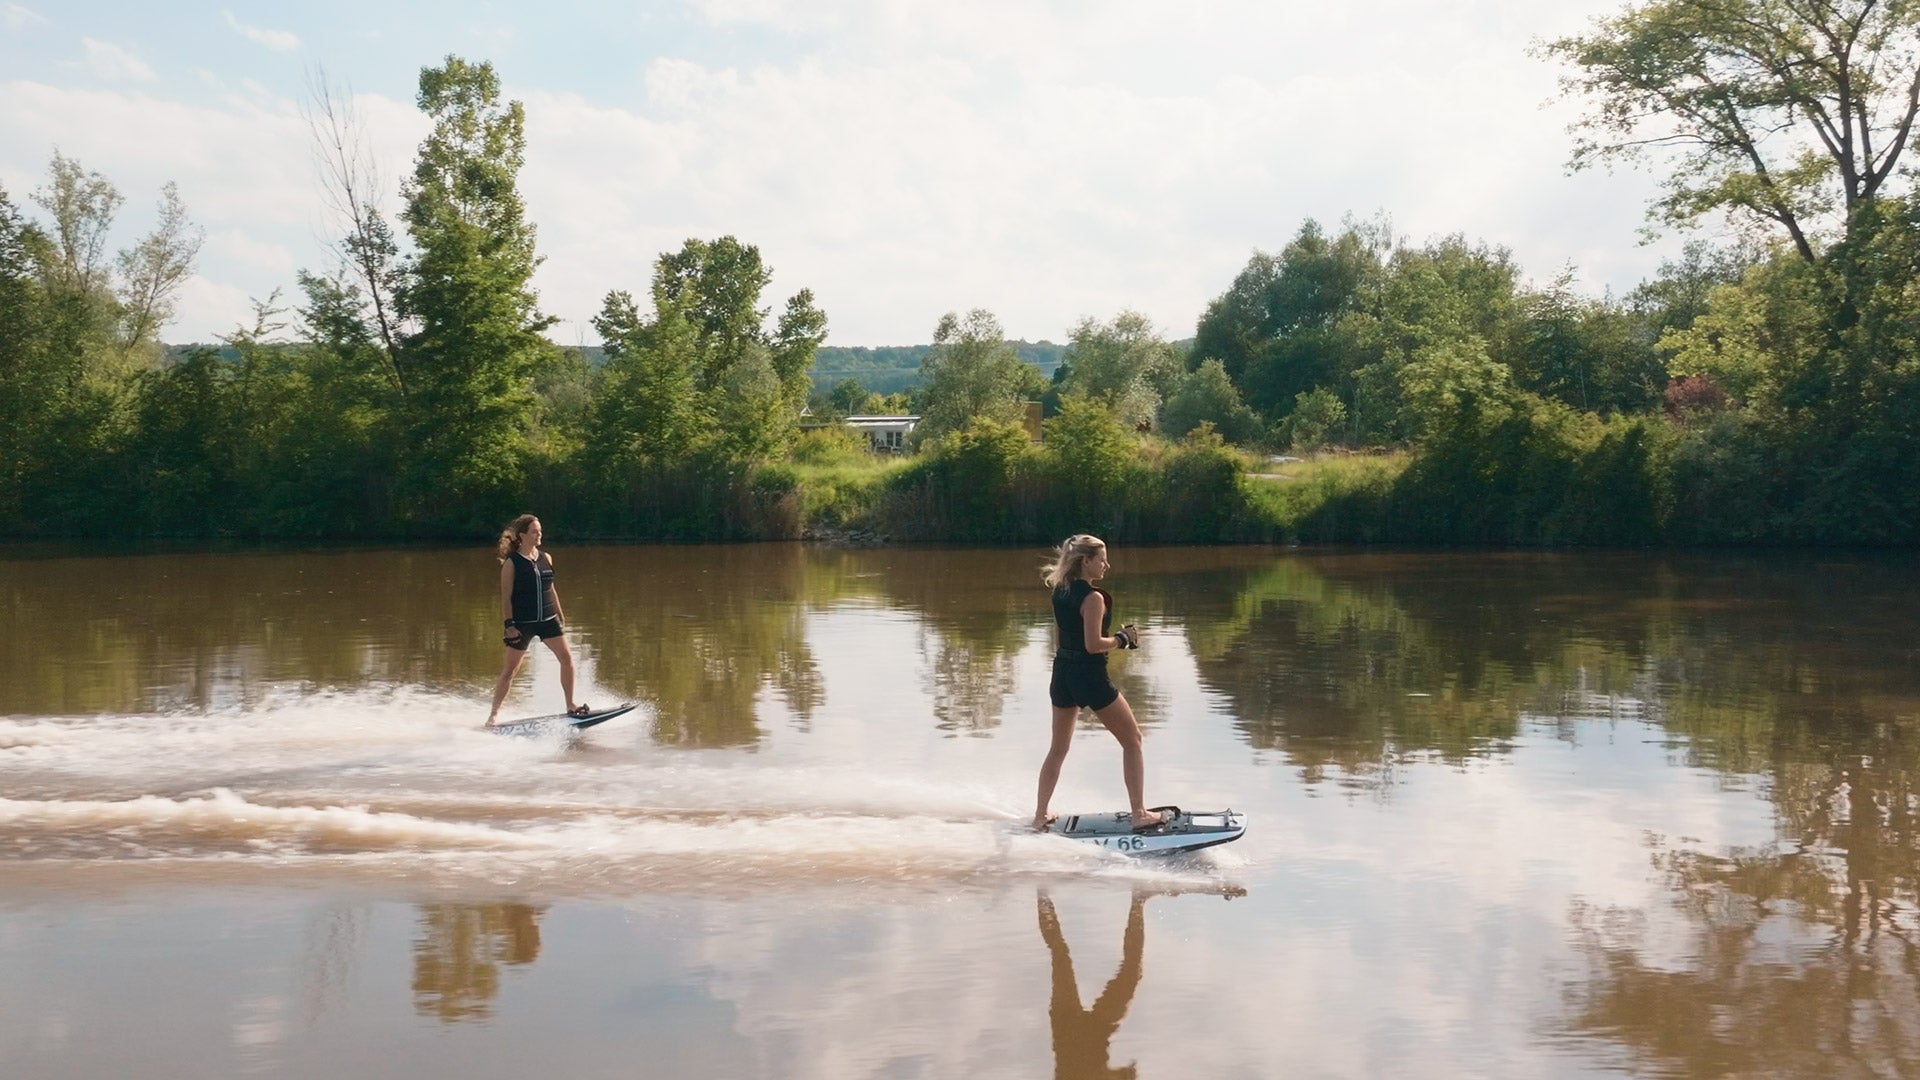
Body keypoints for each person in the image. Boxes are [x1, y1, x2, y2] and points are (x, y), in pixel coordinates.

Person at [1033, 534, 1168, 832]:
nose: (1107, 564)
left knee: (1058, 749)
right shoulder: (1092, 598)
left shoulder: (1060, 590)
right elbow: (1093, 645)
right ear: (1085, 562)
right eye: (1102, 559)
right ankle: (1139, 814)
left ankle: (1040, 815)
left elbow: (1063, 636)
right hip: (1089, 676)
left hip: (1062, 674)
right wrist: (1123, 640)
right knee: (1133, 741)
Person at [485, 514, 588, 726]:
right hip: (523, 623)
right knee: (510, 671)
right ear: (522, 535)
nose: (539, 534)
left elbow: (550, 587)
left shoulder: (545, 558)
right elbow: (506, 597)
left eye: (540, 531)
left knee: (567, 659)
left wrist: (559, 613)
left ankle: (570, 704)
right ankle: (494, 715)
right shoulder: (511, 564)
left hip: (548, 619)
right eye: (534, 531)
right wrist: (509, 625)